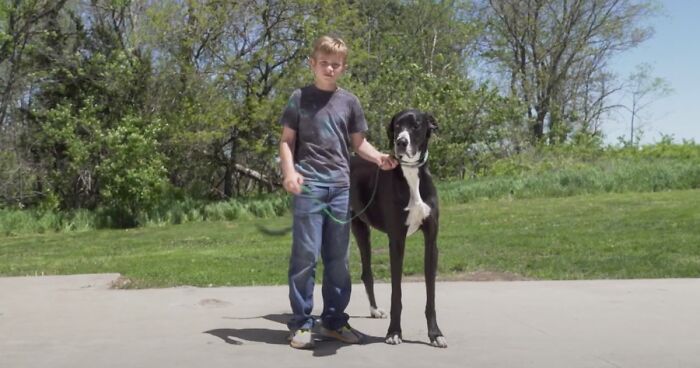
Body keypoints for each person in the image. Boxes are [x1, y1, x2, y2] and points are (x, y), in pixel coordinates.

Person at [278, 35, 398, 349]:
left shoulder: (350, 102)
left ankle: (333, 321)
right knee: (305, 257)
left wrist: (379, 158)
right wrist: (289, 172)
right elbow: (286, 141)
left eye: (336, 64)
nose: (329, 69)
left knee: (338, 260)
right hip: (310, 187)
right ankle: (301, 324)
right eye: (324, 63)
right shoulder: (299, 98)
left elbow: (358, 144)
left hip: (341, 189)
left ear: (343, 67)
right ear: (312, 63)